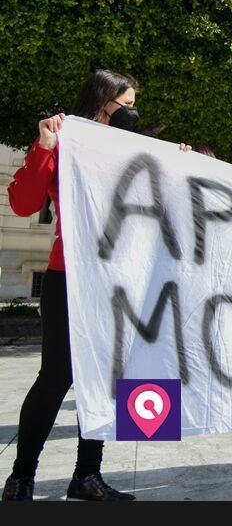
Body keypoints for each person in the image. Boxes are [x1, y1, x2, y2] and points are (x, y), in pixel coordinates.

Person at [3, 69, 193, 502]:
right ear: (101, 102)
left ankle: (87, 476)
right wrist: (46, 147)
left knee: (110, 378)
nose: (131, 113)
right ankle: (21, 478)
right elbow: (24, 202)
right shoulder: (65, 137)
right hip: (68, 276)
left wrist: (182, 160)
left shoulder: (136, 148)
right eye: (124, 105)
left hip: (121, 279)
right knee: (56, 376)